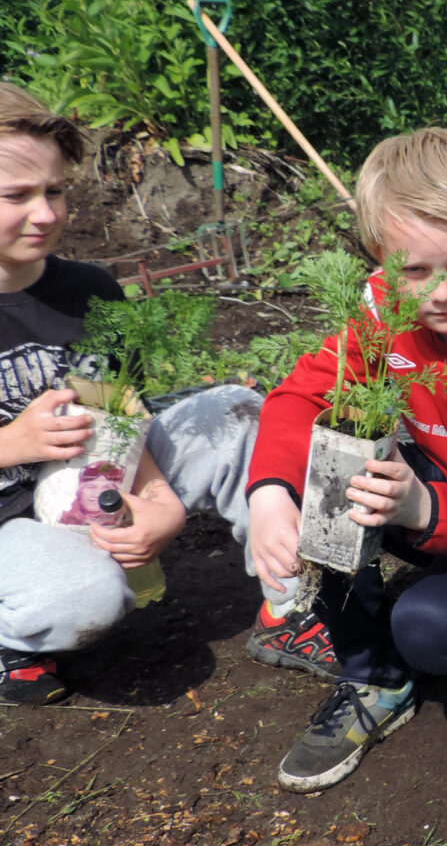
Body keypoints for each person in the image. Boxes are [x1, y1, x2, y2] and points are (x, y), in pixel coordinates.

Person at [245, 128, 447, 793]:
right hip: (430, 505)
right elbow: (299, 394)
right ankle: (371, 676)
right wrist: (269, 495)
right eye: (414, 271)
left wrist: (423, 508)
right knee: (333, 461)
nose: (439, 292)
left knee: (424, 621)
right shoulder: (378, 307)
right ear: (379, 259)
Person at [0, 82, 260, 704]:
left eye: (55, 191)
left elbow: (121, 418)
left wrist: (158, 498)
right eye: (17, 196)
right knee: (86, 598)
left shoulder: (90, 292)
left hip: (82, 486)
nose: (46, 214)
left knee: (238, 412)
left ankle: (294, 600)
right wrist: (11, 443)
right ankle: (12, 636)